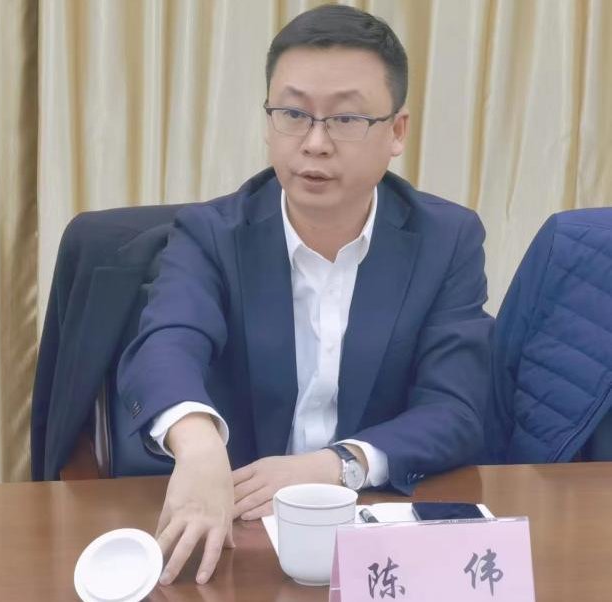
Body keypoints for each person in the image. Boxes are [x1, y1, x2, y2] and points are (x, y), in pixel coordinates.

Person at [117, 4, 492, 586]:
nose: (314, 143)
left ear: (396, 132)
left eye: (345, 119)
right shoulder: (211, 234)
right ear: (269, 121)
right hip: (235, 530)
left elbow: (456, 409)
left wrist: (338, 465)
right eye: (293, 114)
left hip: (375, 535)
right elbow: (167, 341)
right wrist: (198, 444)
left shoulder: (447, 240)